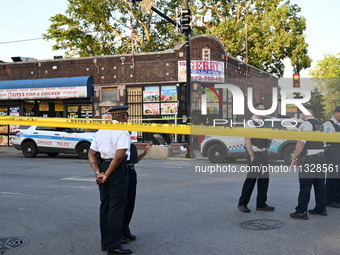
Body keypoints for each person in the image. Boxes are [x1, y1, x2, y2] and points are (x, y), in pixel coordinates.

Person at [88, 105, 133, 255]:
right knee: (117, 208)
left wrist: (98, 172)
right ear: (122, 116)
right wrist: (107, 174)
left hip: (103, 166)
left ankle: (105, 243)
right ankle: (114, 245)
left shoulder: (101, 131)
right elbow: (119, 156)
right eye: (126, 115)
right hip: (116, 170)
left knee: (105, 207)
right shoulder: (122, 131)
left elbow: (91, 154)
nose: (127, 118)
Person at [290, 104, 327, 220]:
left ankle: (301, 212)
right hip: (321, 158)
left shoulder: (306, 124)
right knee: (320, 184)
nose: (301, 114)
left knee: (305, 186)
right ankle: (321, 209)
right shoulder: (320, 124)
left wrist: (294, 158)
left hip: (310, 159)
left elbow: (301, 143)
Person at [237, 103, 275, 213]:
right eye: (260, 109)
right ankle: (242, 203)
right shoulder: (250, 123)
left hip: (263, 154)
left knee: (264, 180)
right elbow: (247, 139)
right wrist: (251, 155)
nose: (263, 111)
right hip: (255, 155)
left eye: (264, 109)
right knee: (251, 180)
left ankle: (261, 204)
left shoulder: (262, 123)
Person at [121, 140, 153, 243]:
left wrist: (144, 153)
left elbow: (134, 160)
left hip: (131, 171)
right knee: (122, 203)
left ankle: (125, 229)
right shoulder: (120, 139)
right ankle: (119, 232)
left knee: (130, 203)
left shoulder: (129, 140)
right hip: (122, 172)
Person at [323, 106, 340, 208]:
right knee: (332, 177)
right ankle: (329, 200)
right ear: (336, 113)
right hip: (333, 153)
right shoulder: (329, 124)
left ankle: (337, 199)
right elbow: (328, 138)